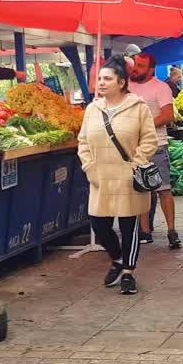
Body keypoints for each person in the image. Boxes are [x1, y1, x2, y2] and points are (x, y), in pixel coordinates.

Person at [77, 56, 158, 295]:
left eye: (107, 79)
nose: (101, 83)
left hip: (127, 176)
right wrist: (89, 167)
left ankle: (128, 273)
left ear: (121, 82)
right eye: (100, 78)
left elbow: (150, 140)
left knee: (129, 225)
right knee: (99, 224)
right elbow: (82, 142)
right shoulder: (92, 109)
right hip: (99, 177)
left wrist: (136, 164)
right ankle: (117, 258)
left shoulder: (138, 107)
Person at [129, 52, 181, 250]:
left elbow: (168, 115)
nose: (136, 68)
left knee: (163, 189)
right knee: (141, 189)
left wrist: (144, 125)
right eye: (135, 65)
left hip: (157, 144)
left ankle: (172, 231)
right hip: (133, 147)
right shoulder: (127, 87)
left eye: (141, 66)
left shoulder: (161, 87)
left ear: (151, 69)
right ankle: (145, 231)